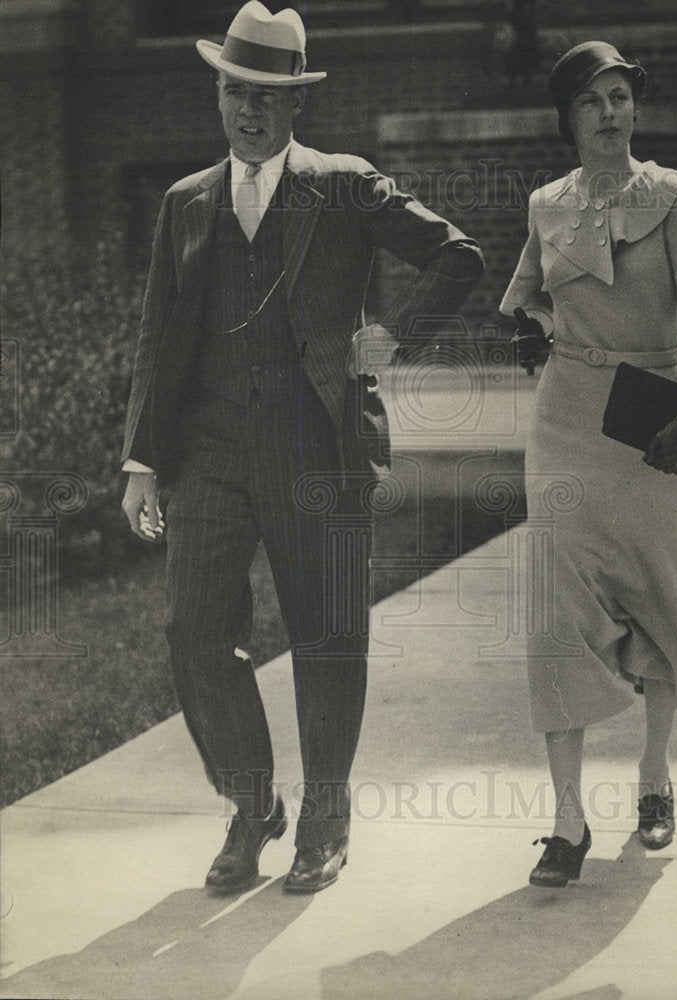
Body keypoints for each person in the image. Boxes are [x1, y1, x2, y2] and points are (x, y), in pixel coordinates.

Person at [121, 1, 483, 896]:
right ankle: (253, 808)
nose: (251, 110)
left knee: (328, 636)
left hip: (315, 444)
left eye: (270, 96)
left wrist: (395, 335)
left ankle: (324, 816)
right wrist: (139, 460)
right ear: (218, 94)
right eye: (237, 91)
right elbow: (160, 335)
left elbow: (458, 256)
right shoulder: (185, 202)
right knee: (194, 634)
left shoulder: (345, 184)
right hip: (208, 451)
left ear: (296, 107)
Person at [501, 41, 677, 888]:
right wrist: (529, 330)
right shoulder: (545, 206)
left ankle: (652, 777)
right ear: (568, 120)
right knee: (552, 612)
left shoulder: (673, 196)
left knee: (661, 601)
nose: (609, 112)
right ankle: (566, 821)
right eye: (591, 101)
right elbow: (528, 296)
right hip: (569, 417)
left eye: (619, 97)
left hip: (658, 419)